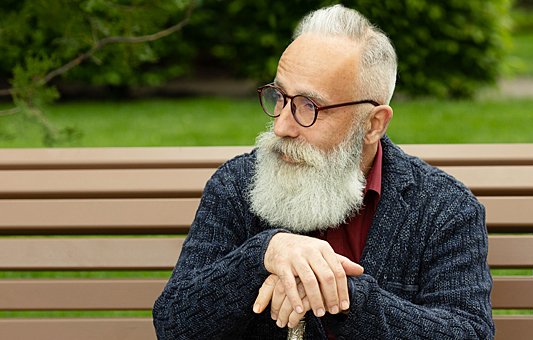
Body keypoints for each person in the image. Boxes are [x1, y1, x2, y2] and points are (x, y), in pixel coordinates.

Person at [153, 4, 494, 339]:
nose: (282, 125)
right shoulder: (237, 184)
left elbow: (468, 331)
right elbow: (173, 324)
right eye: (280, 97)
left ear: (373, 124)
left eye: (309, 106)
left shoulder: (444, 208)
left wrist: (340, 293)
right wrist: (261, 255)